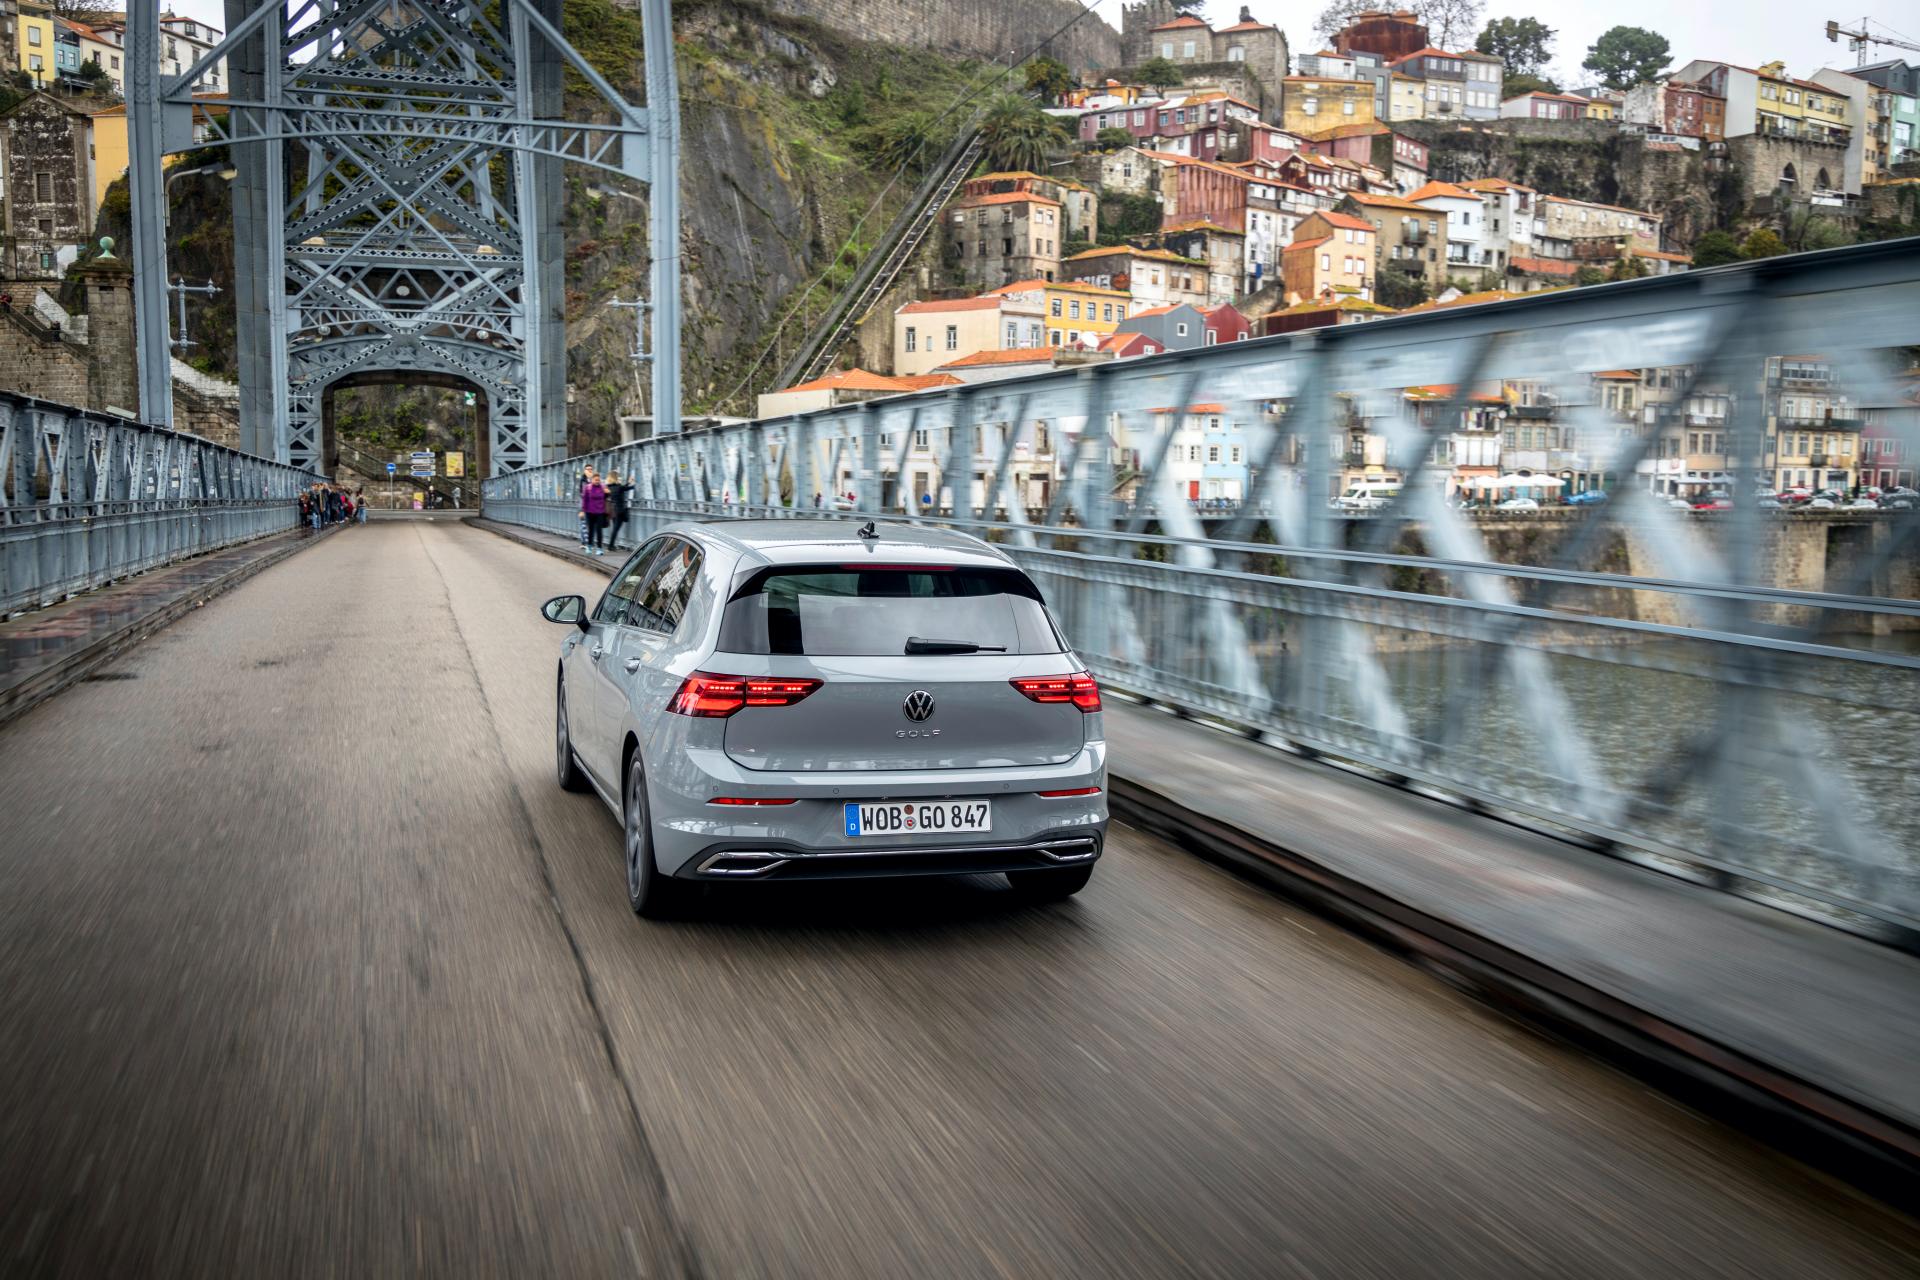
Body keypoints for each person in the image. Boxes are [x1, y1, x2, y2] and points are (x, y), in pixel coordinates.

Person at [582, 473, 609, 555]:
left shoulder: (603, 487)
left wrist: (608, 493)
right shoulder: (588, 487)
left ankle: (599, 548)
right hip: (590, 512)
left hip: (600, 512)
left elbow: (606, 498)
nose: (597, 481)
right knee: (590, 530)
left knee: (599, 530)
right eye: (596, 480)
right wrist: (583, 510)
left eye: (598, 480)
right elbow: (585, 499)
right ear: (592, 480)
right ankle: (589, 546)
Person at [605, 472, 632, 552]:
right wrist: (632, 483)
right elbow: (627, 488)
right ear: (616, 478)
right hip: (620, 510)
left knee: (615, 528)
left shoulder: (608, 487)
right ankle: (610, 546)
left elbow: (623, 488)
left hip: (613, 510)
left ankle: (612, 545)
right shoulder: (619, 487)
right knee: (616, 529)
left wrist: (628, 483)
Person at [577, 466, 597, 551]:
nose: (590, 471)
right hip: (584, 505)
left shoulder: (595, 480)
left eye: (591, 469)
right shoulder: (583, 480)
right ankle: (585, 543)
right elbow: (584, 493)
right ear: (584, 471)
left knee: (590, 524)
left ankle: (586, 542)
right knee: (584, 524)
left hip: (593, 506)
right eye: (588, 469)